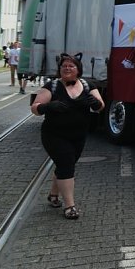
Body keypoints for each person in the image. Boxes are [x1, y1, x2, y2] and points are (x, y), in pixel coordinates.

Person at [30, 53, 104, 220]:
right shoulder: (52, 86)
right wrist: (48, 107)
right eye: (64, 66)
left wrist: (96, 104)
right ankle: (70, 206)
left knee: (65, 164)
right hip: (54, 135)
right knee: (66, 165)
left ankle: (53, 195)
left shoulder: (87, 85)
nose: (67, 68)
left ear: (78, 70)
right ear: (60, 69)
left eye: (71, 66)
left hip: (78, 136)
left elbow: (100, 106)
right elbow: (34, 108)